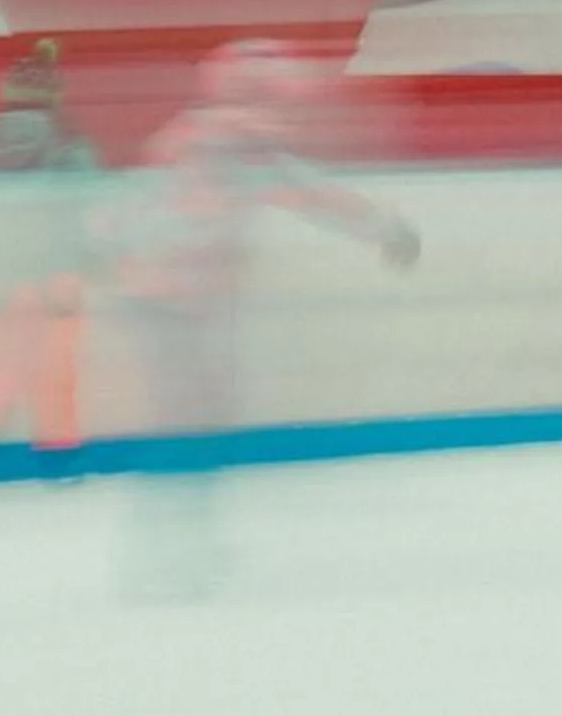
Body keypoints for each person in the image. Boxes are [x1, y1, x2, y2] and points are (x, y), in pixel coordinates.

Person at [101, 40, 420, 591]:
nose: (291, 110)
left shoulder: (190, 133)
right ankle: (173, 553)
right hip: (177, 299)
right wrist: (385, 227)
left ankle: (173, 548)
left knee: (190, 421)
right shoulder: (233, 140)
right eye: (283, 97)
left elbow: (131, 209)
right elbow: (306, 192)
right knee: (193, 424)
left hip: (160, 295)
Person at [0, 39, 99, 455]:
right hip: (58, 267)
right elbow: (87, 194)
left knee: (3, 354)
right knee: (57, 359)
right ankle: (58, 445)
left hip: (7, 267)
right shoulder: (66, 138)